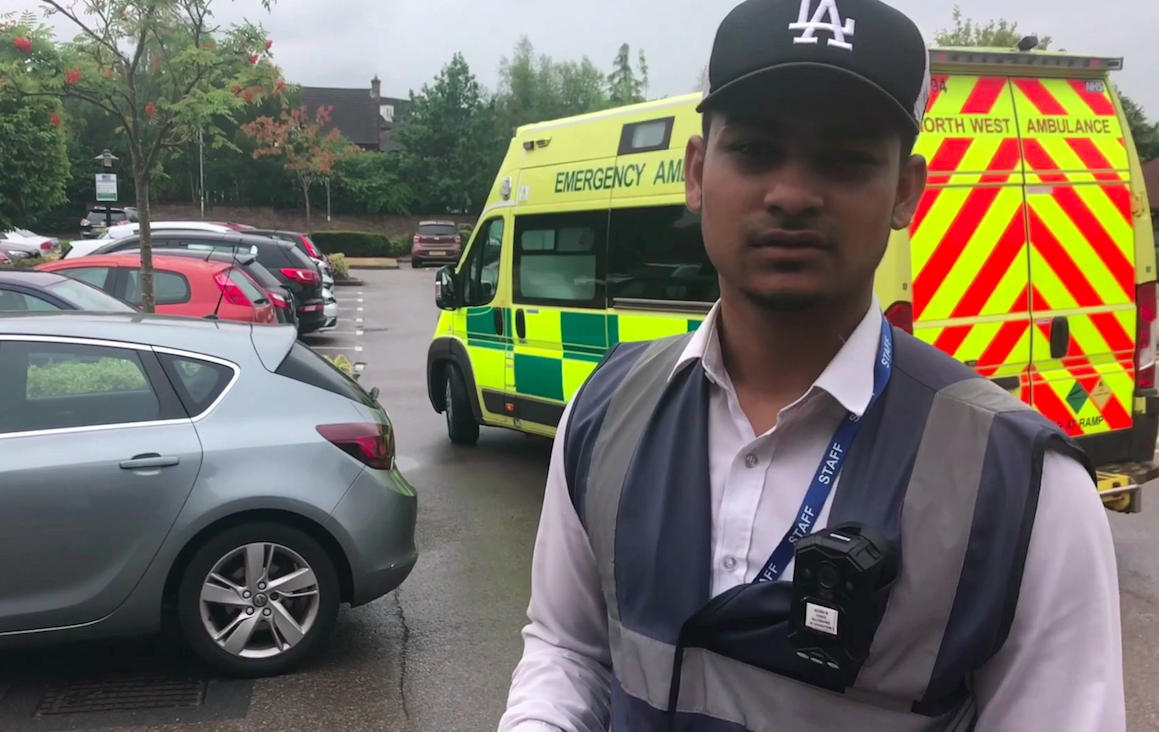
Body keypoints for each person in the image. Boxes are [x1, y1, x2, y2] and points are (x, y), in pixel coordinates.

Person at [497, 0, 1126, 729]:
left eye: (845, 159)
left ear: (903, 194)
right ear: (697, 171)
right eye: (756, 150)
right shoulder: (604, 411)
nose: (791, 194)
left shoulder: (1029, 488)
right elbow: (567, 649)